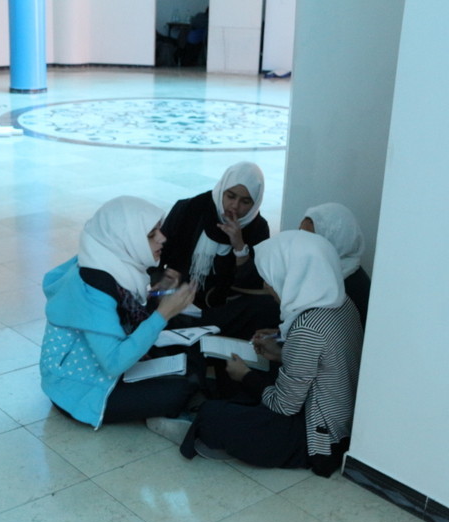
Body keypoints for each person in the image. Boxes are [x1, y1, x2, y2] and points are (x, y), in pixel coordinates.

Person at [177, 230, 364, 476]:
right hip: (334, 417)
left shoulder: (307, 328)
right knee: (252, 381)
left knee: (212, 416)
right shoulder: (340, 301)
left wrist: (245, 375)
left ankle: (202, 426)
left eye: (270, 277)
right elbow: (323, 364)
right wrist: (279, 353)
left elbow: (284, 406)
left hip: (317, 438)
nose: (266, 285)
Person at [40, 196, 199, 428]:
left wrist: (157, 295)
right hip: (80, 388)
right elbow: (114, 362)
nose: (162, 238)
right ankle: (161, 415)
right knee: (182, 387)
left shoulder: (109, 262)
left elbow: (123, 314)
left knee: (191, 355)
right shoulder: (92, 288)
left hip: (107, 364)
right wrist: (163, 313)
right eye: (151, 234)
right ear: (125, 239)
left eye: (159, 230)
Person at [158, 161, 270, 311]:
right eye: (230, 196)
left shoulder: (257, 228)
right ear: (222, 190)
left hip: (224, 308)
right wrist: (165, 279)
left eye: (245, 201)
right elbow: (157, 254)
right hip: (176, 297)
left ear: (255, 203)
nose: (235, 206)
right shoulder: (191, 208)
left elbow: (256, 283)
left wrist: (240, 247)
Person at [299, 202, 371, 327]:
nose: (300, 245)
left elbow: (314, 330)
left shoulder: (345, 289)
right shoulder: (334, 272)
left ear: (333, 242)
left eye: (310, 239)